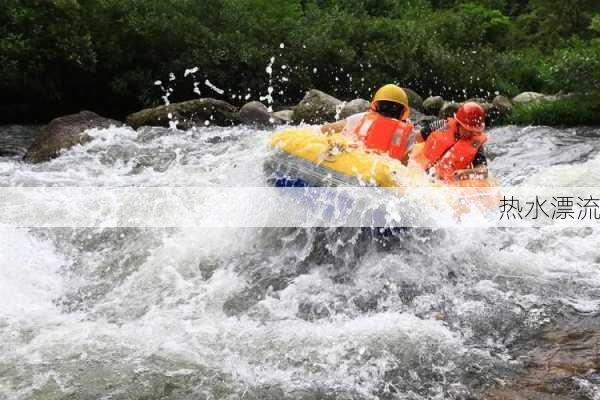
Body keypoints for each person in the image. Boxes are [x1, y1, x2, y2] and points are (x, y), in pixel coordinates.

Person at [320, 84, 414, 163]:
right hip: (381, 173)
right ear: (402, 112)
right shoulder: (408, 133)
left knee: (338, 145)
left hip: (354, 162)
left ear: (376, 105)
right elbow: (403, 164)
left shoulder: (362, 117)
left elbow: (327, 129)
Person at [410, 102, 489, 182]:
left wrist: (466, 172)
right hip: (419, 169)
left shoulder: (476, 144)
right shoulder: (442, 125)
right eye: (466, 129)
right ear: (459, 123)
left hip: (446, 182)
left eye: (472, 131)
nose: (469, 134)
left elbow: (484, 171)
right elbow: (417, 137)